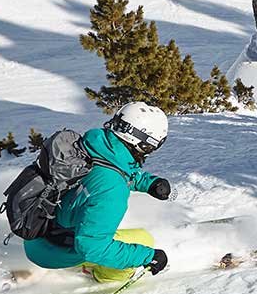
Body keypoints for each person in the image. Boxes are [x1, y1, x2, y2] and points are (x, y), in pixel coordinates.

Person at [24, 102, 174, 282]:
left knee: (100, 221)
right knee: (144, 240)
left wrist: (148, 183)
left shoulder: (91, 145)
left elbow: (108, 171)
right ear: (144, 144)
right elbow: (92, 247)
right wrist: (148, 257)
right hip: (54, 251)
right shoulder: (112, 190)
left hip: (35, 234)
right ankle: (98, 274)